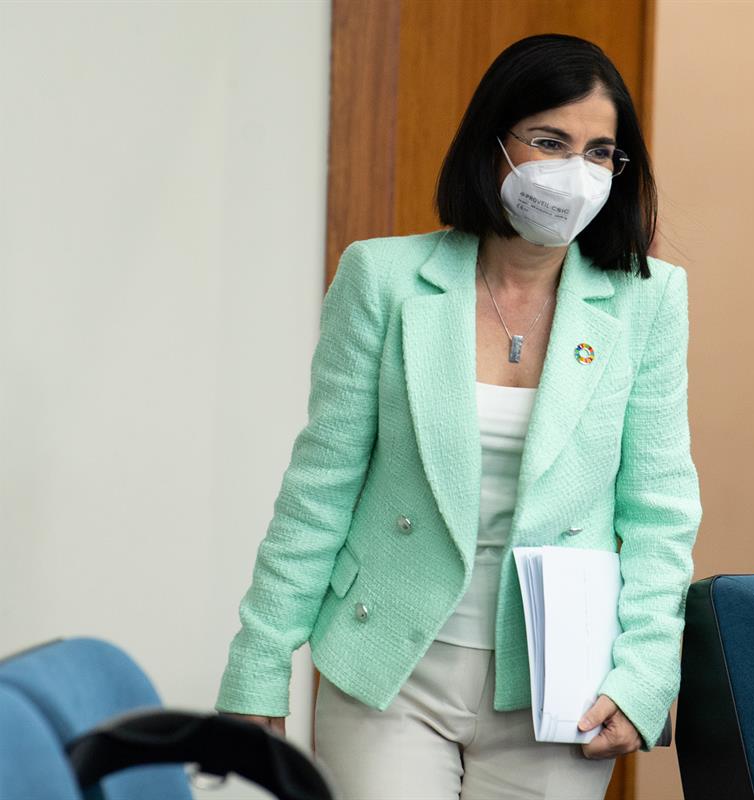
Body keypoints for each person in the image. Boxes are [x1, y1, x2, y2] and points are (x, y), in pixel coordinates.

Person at [214, 32, 702, 799]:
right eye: (550, 140)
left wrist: (645, 673)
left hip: (560, 684)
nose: (576, 171)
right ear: (493, 144)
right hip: (388, 668)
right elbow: (320, 488)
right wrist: (261, 660)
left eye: (601, 152)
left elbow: (660, 512)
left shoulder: (649, 298)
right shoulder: (383, 279)